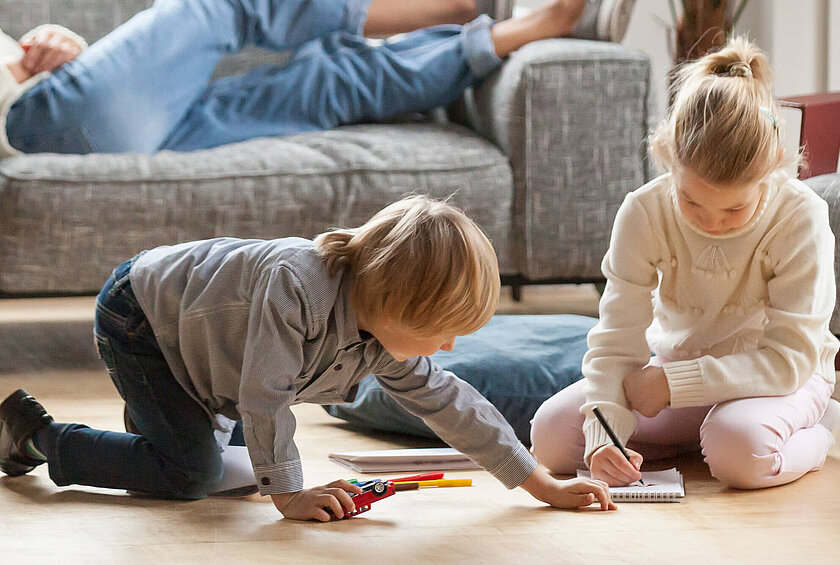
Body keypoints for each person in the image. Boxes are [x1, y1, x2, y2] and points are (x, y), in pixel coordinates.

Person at [0, 195, 616, 520]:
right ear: (394, 304)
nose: (448, 348)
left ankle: (161, 432)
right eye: (438, 332)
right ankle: (35, 437)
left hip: (207, 346)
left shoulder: (384, 336)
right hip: (145, 319)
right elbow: (265, 394)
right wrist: (289, 495)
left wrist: (540, 483)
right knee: (192, 478)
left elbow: (452, 403)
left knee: (239, 467)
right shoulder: (296, 284)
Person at [530, 37, 840, 490]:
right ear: (667, 155)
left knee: (741, 454)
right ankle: (701, 435)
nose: (711, 223)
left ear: (775, 168)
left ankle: (816, 431)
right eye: (691, 201)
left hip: (779, 380)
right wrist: (605, 436)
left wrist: (672, 384)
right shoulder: (643, 210)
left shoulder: (801, 216)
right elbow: (616, 340)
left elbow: (788, 360)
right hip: (677, 373)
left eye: (734, 210)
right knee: (550, 439)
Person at [0, 0, 635, 156]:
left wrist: (60, 48)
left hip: (62, 107)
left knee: (323, 82)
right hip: (39, 121)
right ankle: (453, 5)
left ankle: (512, 32)